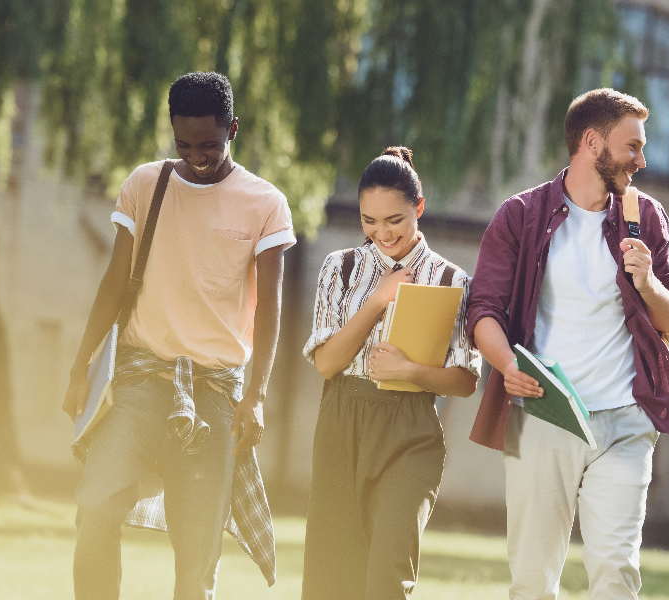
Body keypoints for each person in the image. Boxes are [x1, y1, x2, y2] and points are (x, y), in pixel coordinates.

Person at [62, 72, 293, 600]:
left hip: (213, 397)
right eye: (184, 144)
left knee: (196, 560)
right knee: (95, 507)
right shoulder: (146, 185)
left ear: (233, 129)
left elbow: (270, 310)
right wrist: (81, 364)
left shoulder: (264, 204)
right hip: (140, 384)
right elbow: (114, 283)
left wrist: (255, 397)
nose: (197, 156)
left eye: (210, 144)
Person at [466, 88, 669, 600]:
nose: (642, 159)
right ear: (592, 142)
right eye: (631, 146)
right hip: (548, 413)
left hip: (626, 420)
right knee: (532, 576)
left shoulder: (646, 218)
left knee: (615, 568)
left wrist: (648, 282)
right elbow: (483, 310)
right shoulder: (521, 215)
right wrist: (506, 363)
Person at [300, 146, 481, 600]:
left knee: (387, 576)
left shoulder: (450, 279)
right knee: (331, 577)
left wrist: (410, 370)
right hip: (343, 421)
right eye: (369, 221)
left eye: (394, 220)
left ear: (418, 208)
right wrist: (378, 299)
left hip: (411, 429)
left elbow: (465, 379)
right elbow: (326, 363)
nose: (382, 233)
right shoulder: (339, 269)